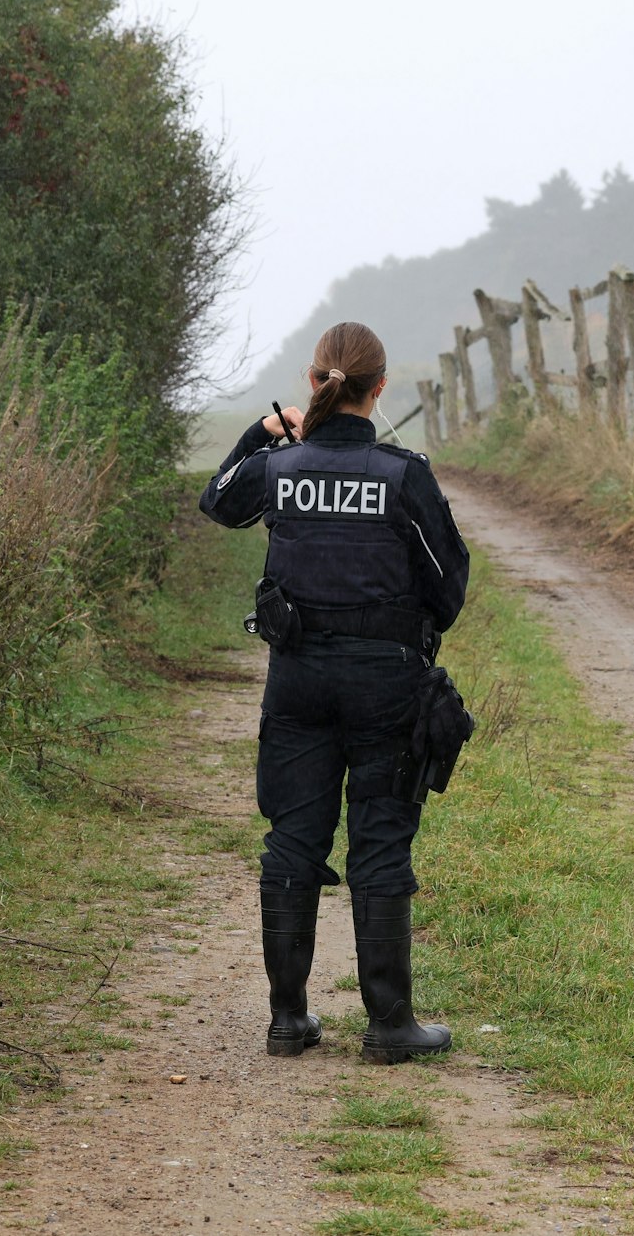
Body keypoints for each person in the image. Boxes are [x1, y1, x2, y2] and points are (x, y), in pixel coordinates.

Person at [200, 321, 470, 1065]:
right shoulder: (403, 473)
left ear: (315, 381)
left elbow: (218, 500)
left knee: (293, 834)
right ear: (379, 389)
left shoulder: (280, 467)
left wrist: (262, 432)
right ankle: (389, 1027)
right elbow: (450, 588)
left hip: (299, 678)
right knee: (380, 837)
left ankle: (289, 1020)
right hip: (386, 681)